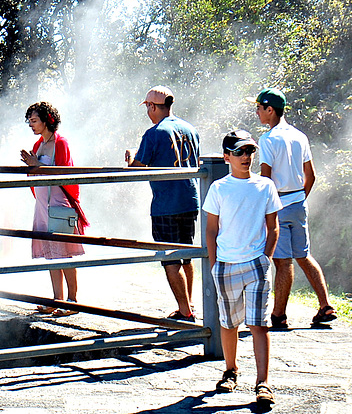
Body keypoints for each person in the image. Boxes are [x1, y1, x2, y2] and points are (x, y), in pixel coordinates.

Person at [203, 129, 282, 409]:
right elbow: (211, 230)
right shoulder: (219, 188)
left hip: (256, 265)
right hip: (226, 264)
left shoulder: (265, 186)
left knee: (259, 323)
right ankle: (231, 369)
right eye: (239, 152)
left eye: (249, 151)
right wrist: (215, 265)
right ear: (226, 157)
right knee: (228, 322)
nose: (246, 157)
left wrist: (266, 259)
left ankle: (263, 383)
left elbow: (273, 226)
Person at [249, 87, 337, 328]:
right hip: (298, 203)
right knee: (304, 255)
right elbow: (312, 175)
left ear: (270, 110)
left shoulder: (268, 139)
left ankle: (278, 316)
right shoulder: (300, 136)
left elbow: (266, 179)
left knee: (283, 262)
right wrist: (299, 198)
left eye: (259, 107)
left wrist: (265, 207)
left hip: (279, 205)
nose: (257, 112)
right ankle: (325, 305)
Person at [124, 86, 200, 322]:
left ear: (153, 106)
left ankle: (185, 311)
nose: (147, 111)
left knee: (170, 258)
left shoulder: (154, 133)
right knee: (186, 255)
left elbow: (137, 168)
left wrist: (130, 160)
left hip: (166, 203)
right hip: (190, 199)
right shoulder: (190, 129)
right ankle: (188, 306)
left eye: (147, 106)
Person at [20, 101, 88, 317]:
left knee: (63, 254)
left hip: (58, 203)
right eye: (29, 121)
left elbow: (64, 173)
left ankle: (72, 300)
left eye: (34, 120)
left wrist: (36, 165)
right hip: (42, 203)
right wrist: (32, 165)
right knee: (51, 254)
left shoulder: (61, 143)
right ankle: (57, 299)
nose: (31, 125)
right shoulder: (39, 144)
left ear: (47, 120)